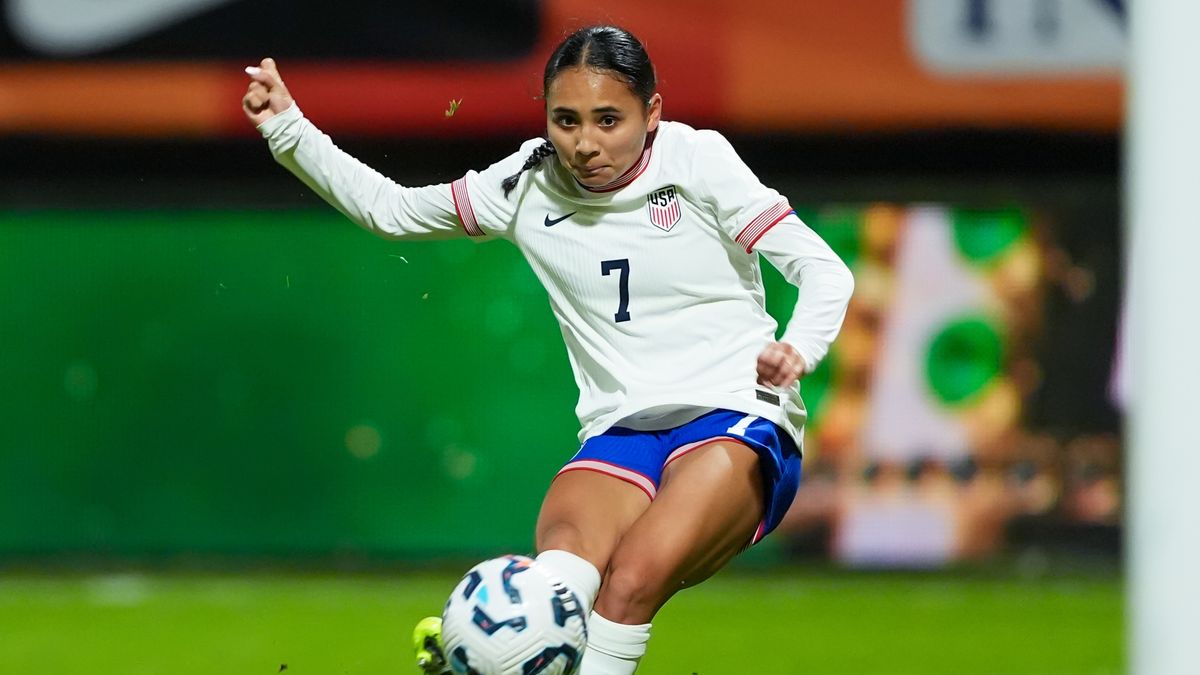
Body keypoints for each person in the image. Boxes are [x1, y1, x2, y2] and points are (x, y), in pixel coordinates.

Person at [243, 25, 854, 675]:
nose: (585, 142)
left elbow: (824, 271)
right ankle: (483, 654)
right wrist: (288, 128)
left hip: (737, 416)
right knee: (548, 593)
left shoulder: (697, 160)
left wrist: (799, 346)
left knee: (629, 585)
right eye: (565, 120)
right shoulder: (526, 182)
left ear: (653, 113)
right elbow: (394, 211)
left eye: (608, 120)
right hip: (621, 432)